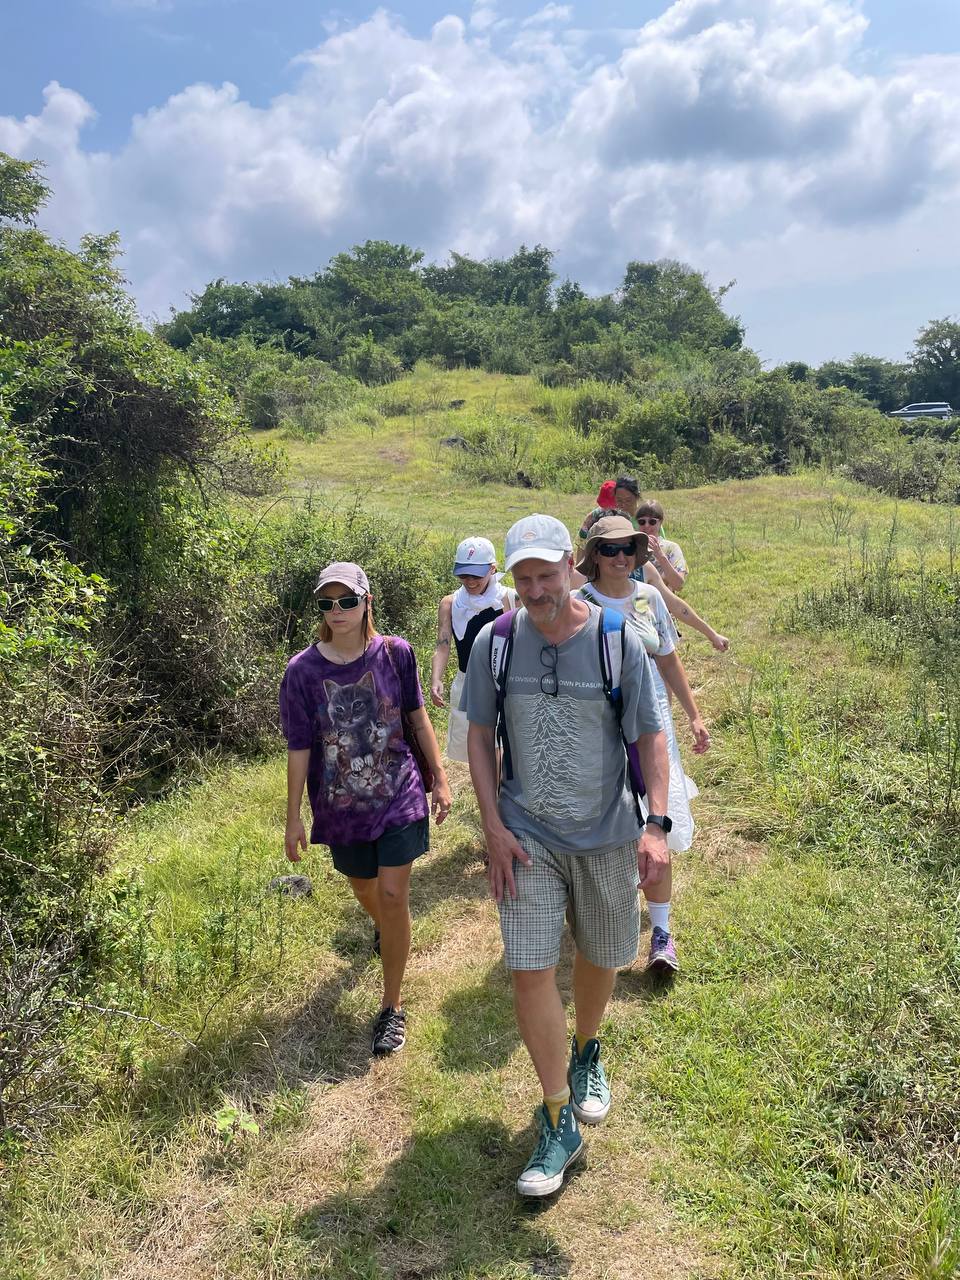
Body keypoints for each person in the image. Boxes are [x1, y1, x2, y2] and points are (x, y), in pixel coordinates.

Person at [461, 515, 670, 1197]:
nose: (535, 590)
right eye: (522, 579)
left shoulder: (616, 640)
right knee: (528, 968)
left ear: (570, 568)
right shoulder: (495, 643)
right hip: (526, 835)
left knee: (602, 954)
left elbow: (649, 735)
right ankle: (557, 1117)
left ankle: (586, 1049)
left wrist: (656, 825)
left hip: (606, 832)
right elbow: (479, 737)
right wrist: (493, 826)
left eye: (546, 576)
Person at [280, 562, 452, 1057]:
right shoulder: (302, 672)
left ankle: (392, 1006)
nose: (337, 611)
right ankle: (387, 928)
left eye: (347, 601)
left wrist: (440, 778)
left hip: (399, 792)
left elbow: (417, 717)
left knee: (394, 895)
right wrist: (293, 816)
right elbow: (299, 747)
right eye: (327, 603)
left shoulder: (395, 654)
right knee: (364, 886)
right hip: (340, 806)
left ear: (366, 602)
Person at [575, 516, 712, 973]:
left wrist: (693, 716)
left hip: (650, 725)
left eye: (628, 548)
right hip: (598, 730)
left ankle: (661, 933)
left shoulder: (648, 598)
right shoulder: (579, 603)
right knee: (607, 827)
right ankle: (602, 919)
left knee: (657, 822)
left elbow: (668, 660)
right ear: (594, 555)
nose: (620, 557)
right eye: (609, 549)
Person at [429, 536, 515, 763]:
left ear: (492, 569)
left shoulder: (508, 599)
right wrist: (436, 679)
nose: (470, 581)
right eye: (464, 575)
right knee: (473, 750)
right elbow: (443, 644)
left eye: (477, 575)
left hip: (503, 683)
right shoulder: (450, 603)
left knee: (501, 750)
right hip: (466, 682)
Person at [634, 499, 688, 594]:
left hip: (664, 600)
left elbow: (678, 585)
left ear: (660, 522)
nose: (646, 526)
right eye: (642, 522)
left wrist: (660, 556)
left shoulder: (671, 548)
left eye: (652, 522)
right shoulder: (631, 547)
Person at [578, 474, 640, 541]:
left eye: (628, 500)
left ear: (637, 497)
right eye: (619, 500)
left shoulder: (644, 517)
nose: (623, 505)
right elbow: (590, 517)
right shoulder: (609, 512)